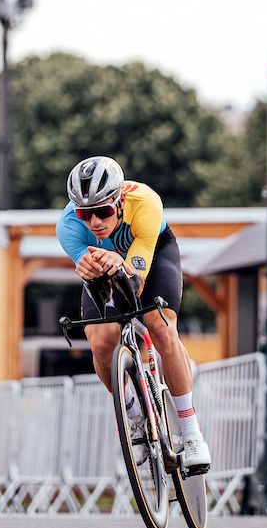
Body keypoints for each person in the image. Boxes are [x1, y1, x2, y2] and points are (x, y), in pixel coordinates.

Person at [56, 156, 211, 474]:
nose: (95, 222)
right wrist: (89, 266)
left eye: (104, 211)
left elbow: (136, 283)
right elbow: (95, 275)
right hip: (105, 265)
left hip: (152, 256)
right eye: (86, 214)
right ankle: (133, 412)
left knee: (160, 324)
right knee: (100, 340)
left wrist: (118, 261)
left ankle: (192, 434)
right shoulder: (69, 227)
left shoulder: (145, 203)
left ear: (120, 201)